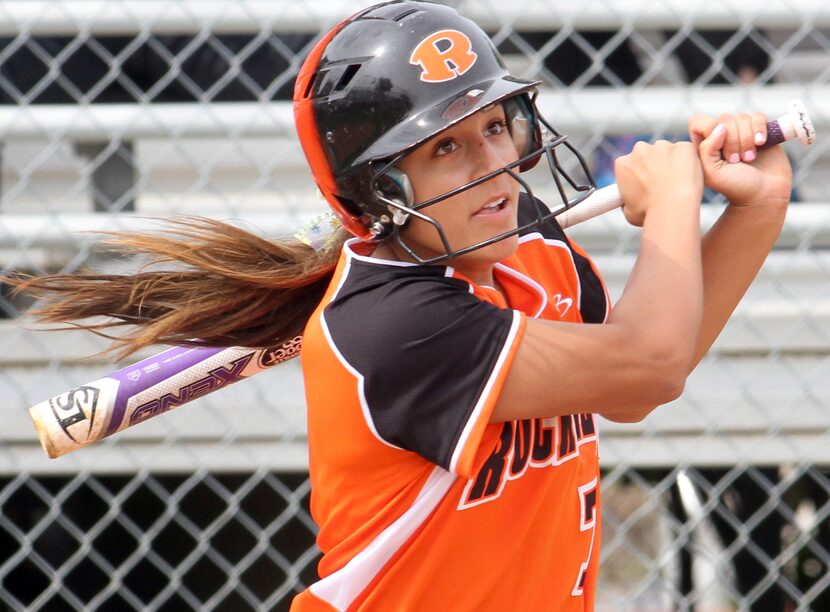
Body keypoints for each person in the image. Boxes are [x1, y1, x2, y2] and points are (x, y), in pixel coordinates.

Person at [11, 1, 792, 609]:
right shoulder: (392, 325)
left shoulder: (524, 242)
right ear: (380, 191)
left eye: (495, 127)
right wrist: (671, 205)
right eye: (446, 148)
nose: (493, 166)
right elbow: (645, 366)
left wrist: (755, 209)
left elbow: (650, 365)